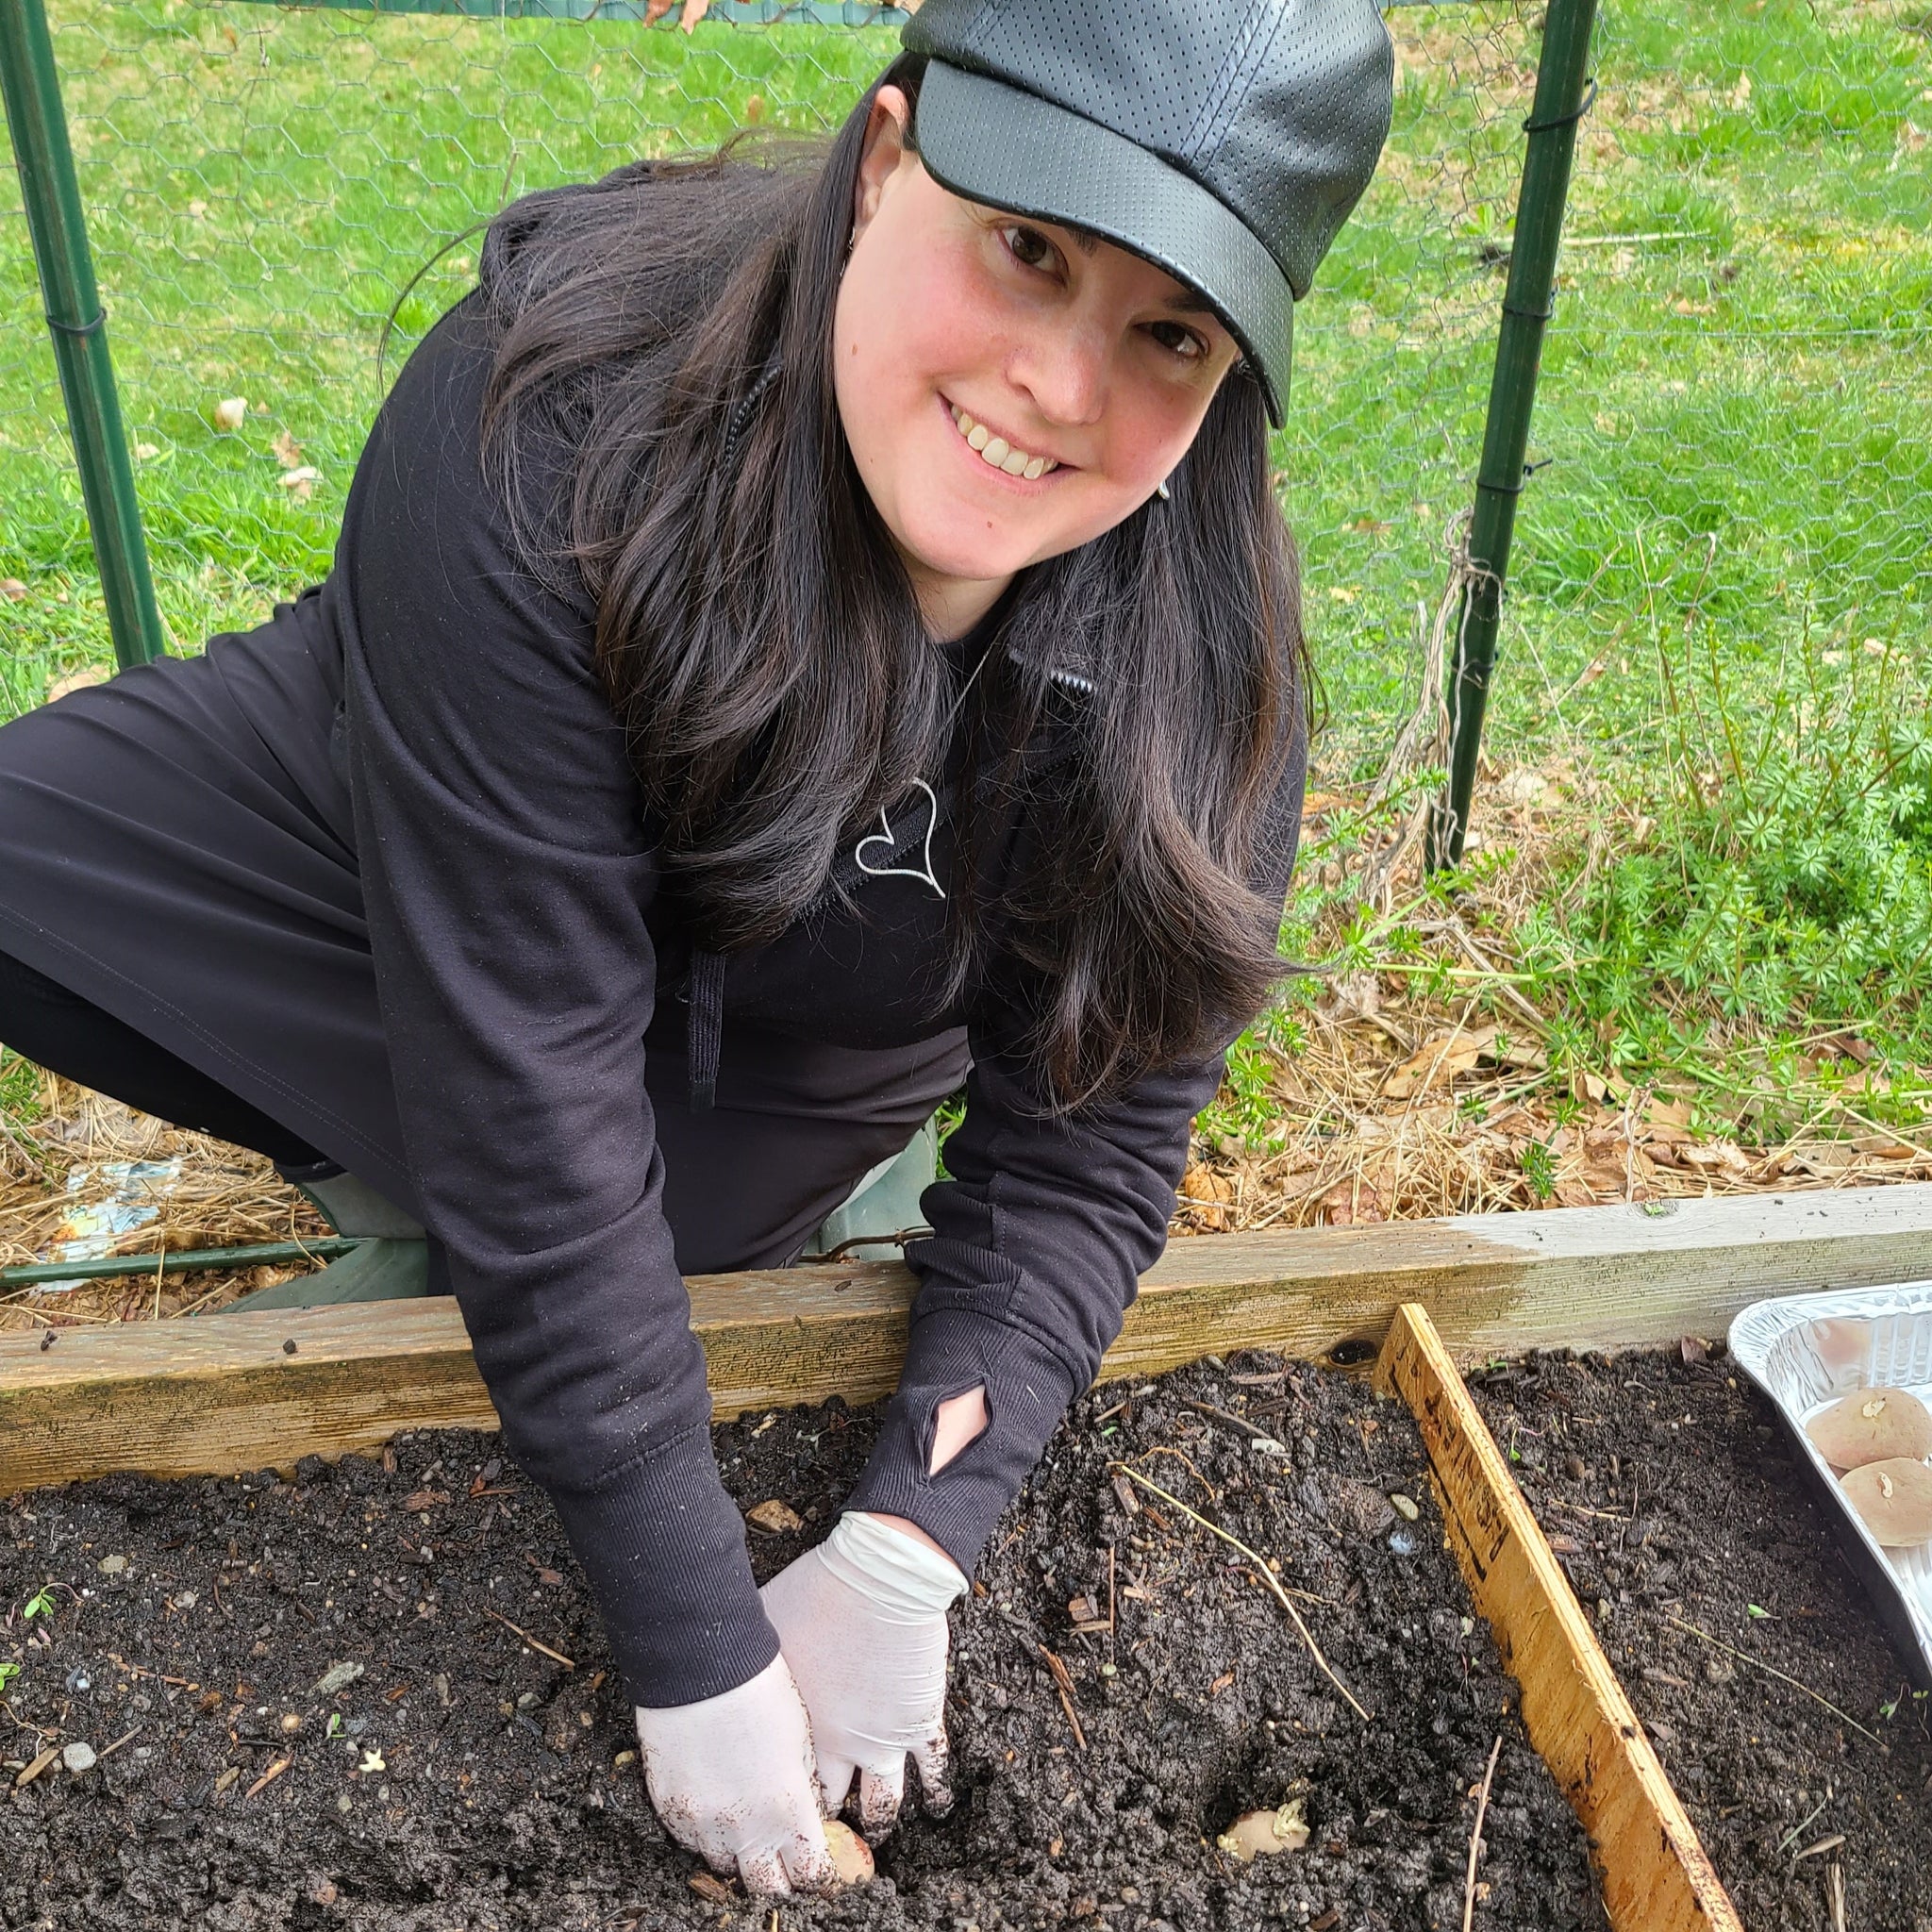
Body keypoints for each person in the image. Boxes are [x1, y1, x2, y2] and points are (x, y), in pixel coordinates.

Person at [0, 0, 1391, 1898]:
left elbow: (1090, 1147)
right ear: (890, 157)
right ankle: (424, 1153)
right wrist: (694, 1640)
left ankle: (582, 1202)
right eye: (1027, 248)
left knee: (627, 1209)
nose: (1059, 385)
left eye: (1167, 334)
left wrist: (910, 1535)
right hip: (388, 826)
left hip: (803, 1014)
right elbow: (526, 1071)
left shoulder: (1187, 667)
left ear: (1235, 373)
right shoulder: (551, 409)